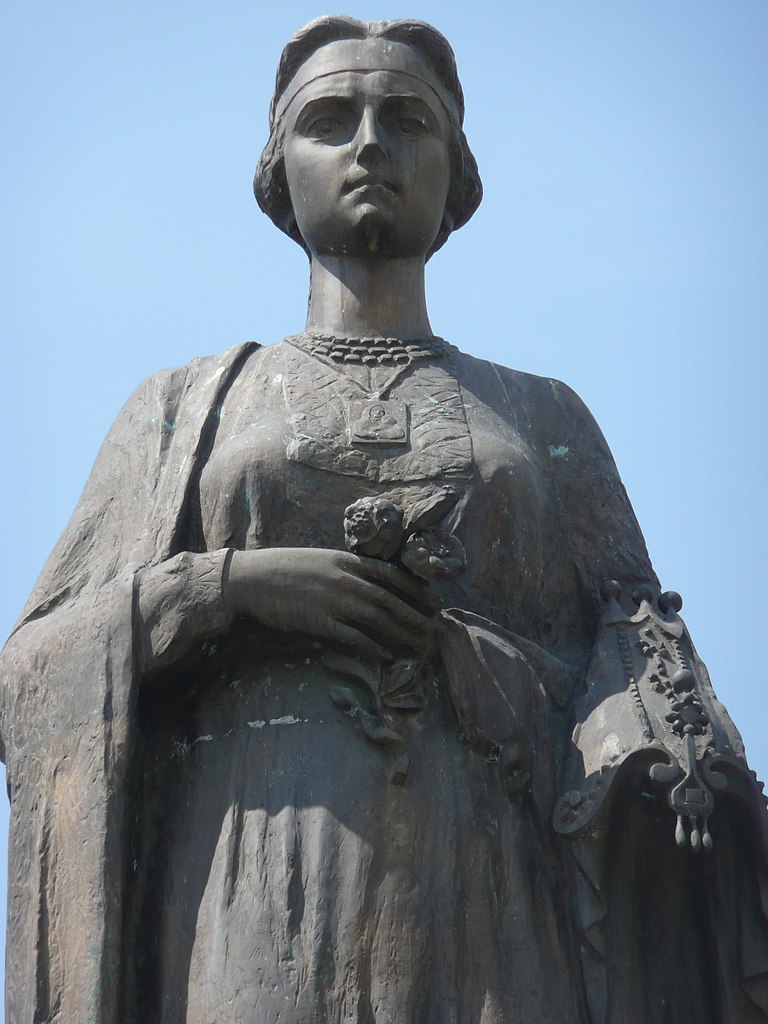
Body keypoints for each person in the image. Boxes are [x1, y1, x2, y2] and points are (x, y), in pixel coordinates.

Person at [1, 16, 766, 1024]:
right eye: (331, 120)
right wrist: (234, 588)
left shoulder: (544, 415)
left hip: (496, 877)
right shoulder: (184, 405)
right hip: (249, 870)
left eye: (407, 120)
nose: (370, 143)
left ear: (457, 172)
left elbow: (645, 677)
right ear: (280, 172)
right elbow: (31, 673)